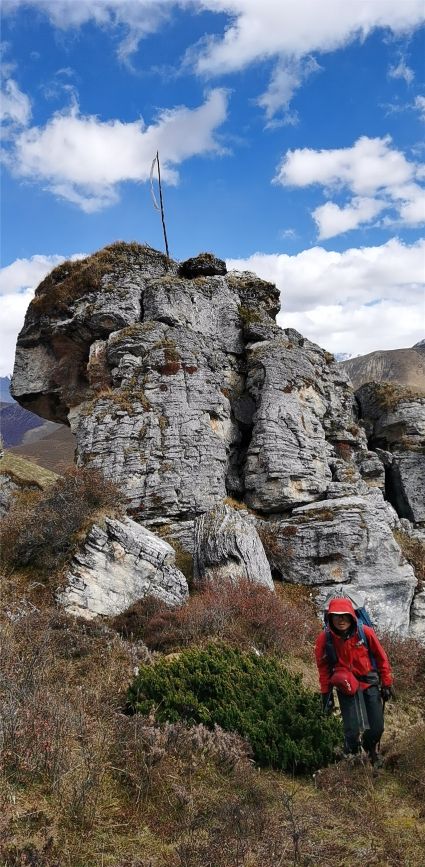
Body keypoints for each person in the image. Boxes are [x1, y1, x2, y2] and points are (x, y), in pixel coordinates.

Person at [315, 597, 393, 766]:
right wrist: (326, 695)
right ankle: (352, 758)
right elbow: (323, 668)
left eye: (345, 615)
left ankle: (369, 749)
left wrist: (386, 683)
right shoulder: (324, 638)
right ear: (330, 618)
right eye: (336, 616)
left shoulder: (365, 632)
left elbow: (382, 658)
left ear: (351, 616)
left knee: (377, 727)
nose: (341, 620)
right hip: (346, 686)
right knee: (351, 729)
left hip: (369, 682)